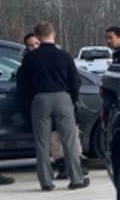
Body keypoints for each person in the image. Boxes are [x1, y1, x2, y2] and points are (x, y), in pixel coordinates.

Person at [16, 21, 89, 191]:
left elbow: (23, 86)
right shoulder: (64, 55)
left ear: (38, 36)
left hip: (39, 99)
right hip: (62, 97)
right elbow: (75, 81)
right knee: (69, 141)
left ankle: (46, 181)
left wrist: (29, 105)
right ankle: (76, 178)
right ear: (52, 34)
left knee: (42, 143)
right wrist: (72, 99)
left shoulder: (30, 58)